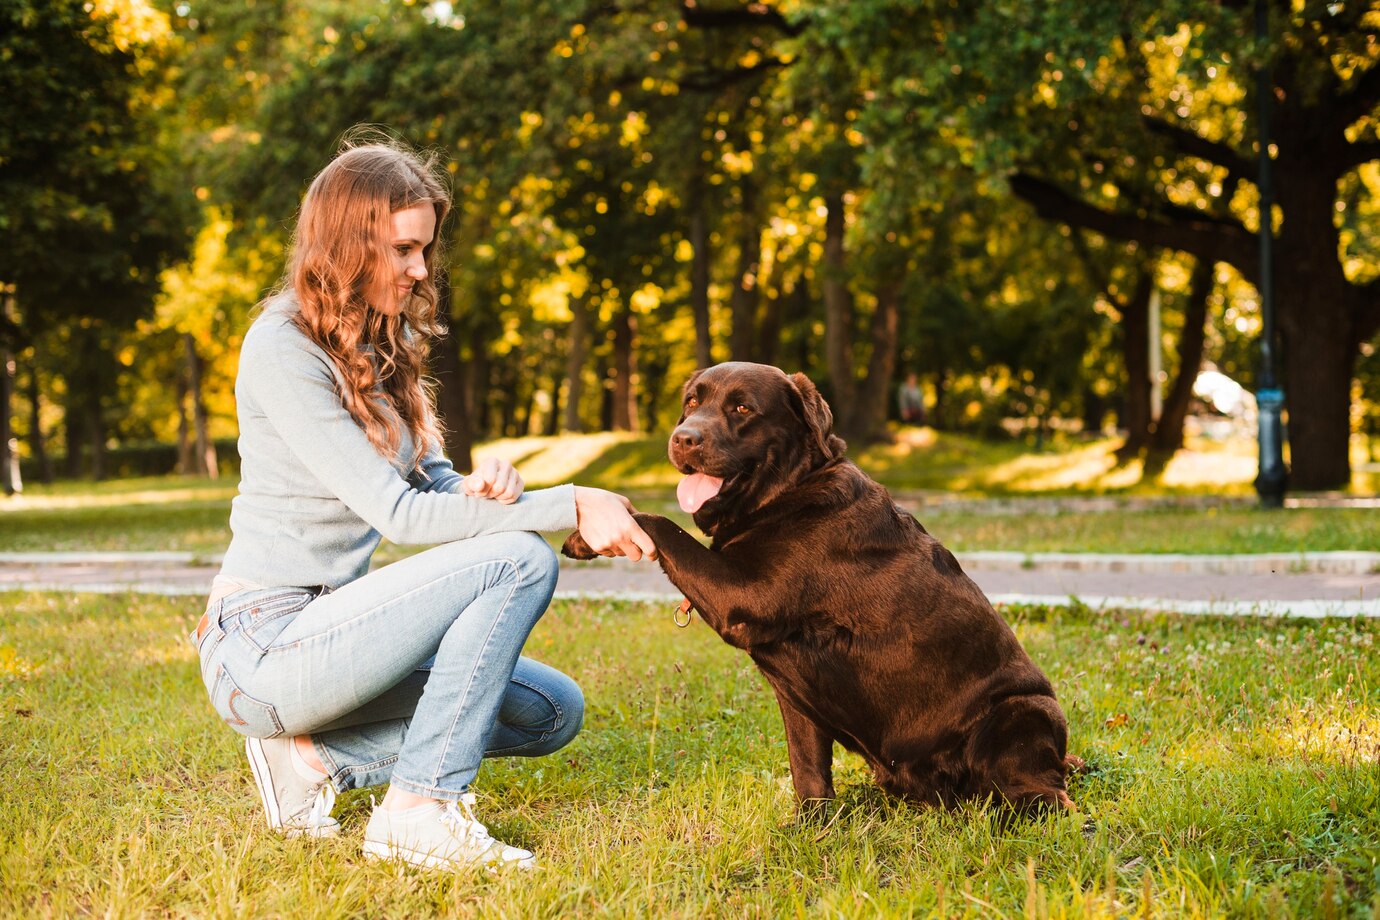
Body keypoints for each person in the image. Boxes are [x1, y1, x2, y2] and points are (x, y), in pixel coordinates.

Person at [192, 137, 656, 871]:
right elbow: (401, 518)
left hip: (346, 634)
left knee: (548, 711)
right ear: (349, 244)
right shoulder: (282, 346)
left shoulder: (386, 340)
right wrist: (565, 505)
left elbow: (432, 490)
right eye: (404, 250)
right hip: (264, 645)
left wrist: (489, 489)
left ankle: (310, 761)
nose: (420, 270)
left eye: (425, 251)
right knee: (518, 559)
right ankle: (416, 812)